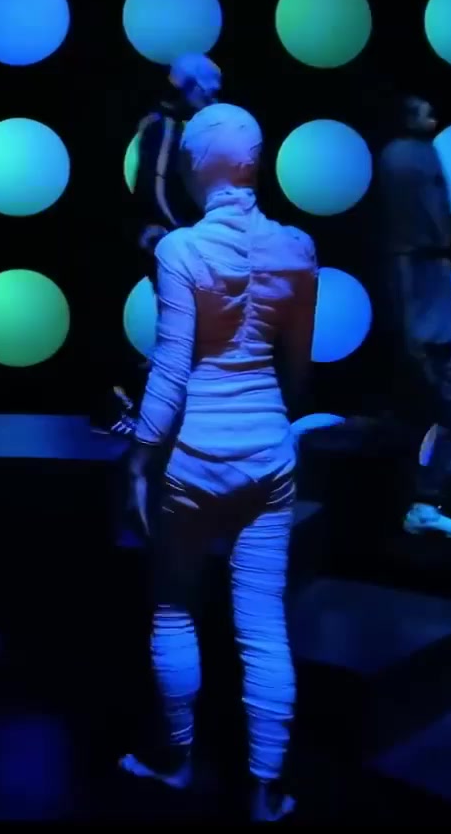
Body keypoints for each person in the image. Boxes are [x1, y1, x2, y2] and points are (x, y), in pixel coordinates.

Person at [117, 105, 315, 824]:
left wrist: (139, 460)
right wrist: (276, 425)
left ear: (196, 166)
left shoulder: (182, 250)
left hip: (193, 459)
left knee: (175, 607)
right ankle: (265, 793)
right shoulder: (298, 248)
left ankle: (176, 764)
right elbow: (298, 370)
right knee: (262, 624)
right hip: (267, 453)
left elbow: (171, 374)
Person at [95, 53, 226, 435]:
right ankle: (124, 407)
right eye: (207, 92)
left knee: (182, 326)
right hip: (162, 241)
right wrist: (182, 232)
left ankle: (162, 411)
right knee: (175, 325)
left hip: (173, 239)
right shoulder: (163, 126)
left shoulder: (179, 125)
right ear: (188, 87)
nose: (212, 99)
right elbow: (155, 188)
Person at [376, 94, 451, 539]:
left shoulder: (415, 154)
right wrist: (411, 326)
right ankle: (417, 503)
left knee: (448, 417)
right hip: (423, 316)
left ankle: (422, 503)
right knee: (442, 416)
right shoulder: (404, 158)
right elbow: (402, 241)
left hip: (430, 312)